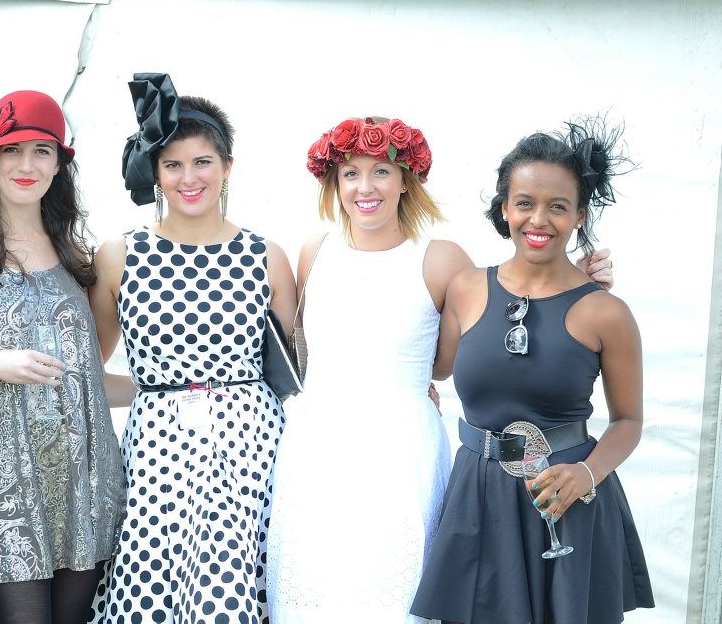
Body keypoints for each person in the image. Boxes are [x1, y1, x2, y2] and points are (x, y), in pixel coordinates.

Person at [264, 116, 614, 622]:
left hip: (399, 451)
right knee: (311, 590)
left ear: (407, 179)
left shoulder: (439, 258)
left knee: (395, 591)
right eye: (351, 173)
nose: (366, 188)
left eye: (381, 171)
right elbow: (298, 352)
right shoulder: (313, 251)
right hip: (315, 449)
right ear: (333, 183)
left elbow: (493, 321)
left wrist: (574, 282)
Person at [410, 119, 654, 623]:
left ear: (580, 215)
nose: (538, 219)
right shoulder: (465, 288)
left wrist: (587, 472)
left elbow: (628, 421)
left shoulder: (607, 313)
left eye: (557, 206)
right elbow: (431, 367)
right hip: (477, 498)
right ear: (505, 208)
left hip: (565, 500)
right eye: (524, 202)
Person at [86, 73, 296, 623]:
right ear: (154, 171)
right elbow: (87, 371)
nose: (189, 178)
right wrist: (156, 390)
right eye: (172, 164)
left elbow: (298, 373)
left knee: (233, 587)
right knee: (148, 580)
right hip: (157, 446)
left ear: (227, 166)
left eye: (203, 161)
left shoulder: (266, 254)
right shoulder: (120, 255)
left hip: (251, 445)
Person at [0, 90, 126, 624]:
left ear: (60, 164)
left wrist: (181, 389)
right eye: (12, 150)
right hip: (6, 480)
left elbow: (90, 378)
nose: (27, 164)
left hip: (88, 476)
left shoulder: (77, 258)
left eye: (42, 150)